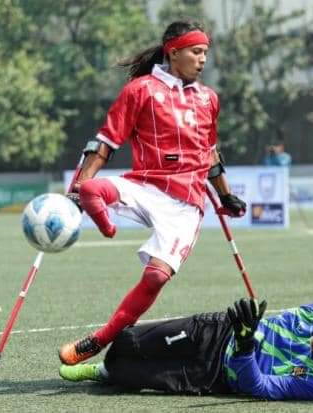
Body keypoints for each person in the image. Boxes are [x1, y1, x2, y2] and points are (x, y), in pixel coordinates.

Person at [58, 20, 247, 365]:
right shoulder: (139, 90)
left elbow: (211, 152)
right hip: (145, 183)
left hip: (186, 203)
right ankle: (104, 223)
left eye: (205, 52)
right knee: (90, 188)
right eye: (196, 51)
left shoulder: (209, 98)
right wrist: (75, 191)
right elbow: (104, 143)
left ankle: (96, 342)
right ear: (173, 52)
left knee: (158, 275)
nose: (203, 59)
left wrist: (225, 195)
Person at [58, 298, 313, 401]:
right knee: (127, 342)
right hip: (216, 330)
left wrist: (245, 345)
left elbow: (258, 387)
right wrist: (246, 329)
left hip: (212, 375)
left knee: (125, 373)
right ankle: (104, 360)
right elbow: (284, 322)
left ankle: (101, 372)